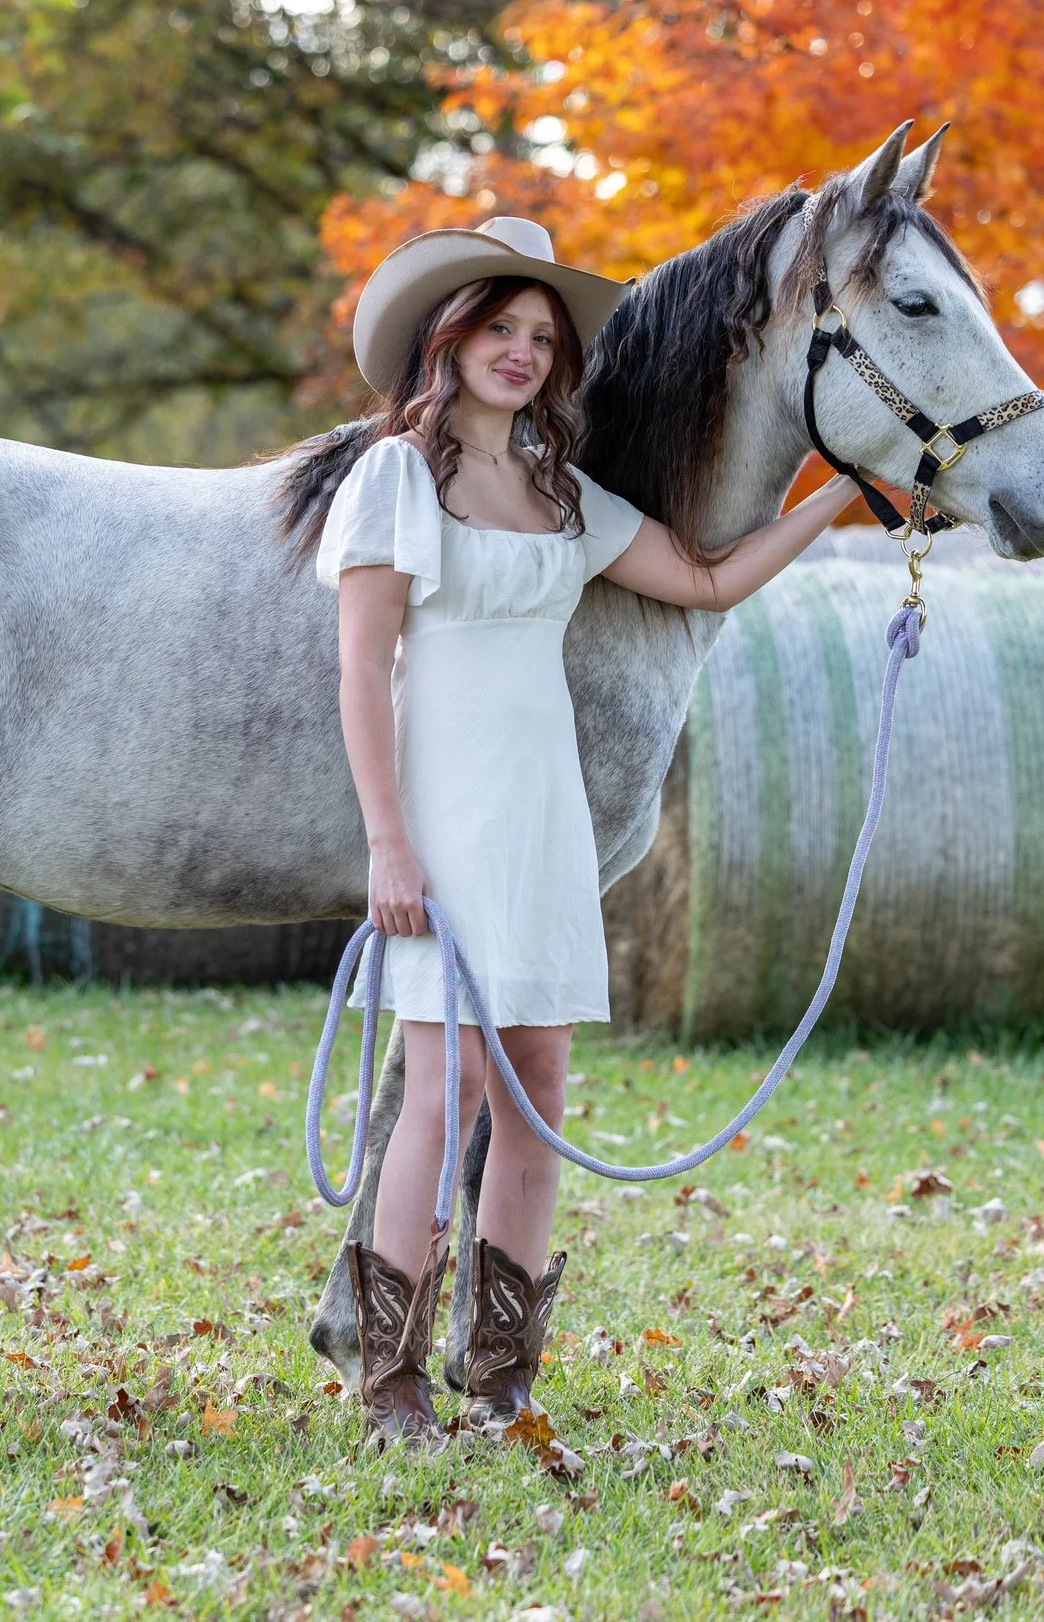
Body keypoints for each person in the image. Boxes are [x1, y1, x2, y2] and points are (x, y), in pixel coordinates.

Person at [304, 217, 859, 1449]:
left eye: (539, 336)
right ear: (446, 341)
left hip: (542, 813)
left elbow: (707, 580)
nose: (517, 350)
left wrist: (835, 498)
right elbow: (360, 673)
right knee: (438, 1098)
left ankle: (499, 1370)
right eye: (497, 327)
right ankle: (387, 1379)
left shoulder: (562, 494)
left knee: (536, 1090)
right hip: (444, 818)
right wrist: (386, 845)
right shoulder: (396, 478)